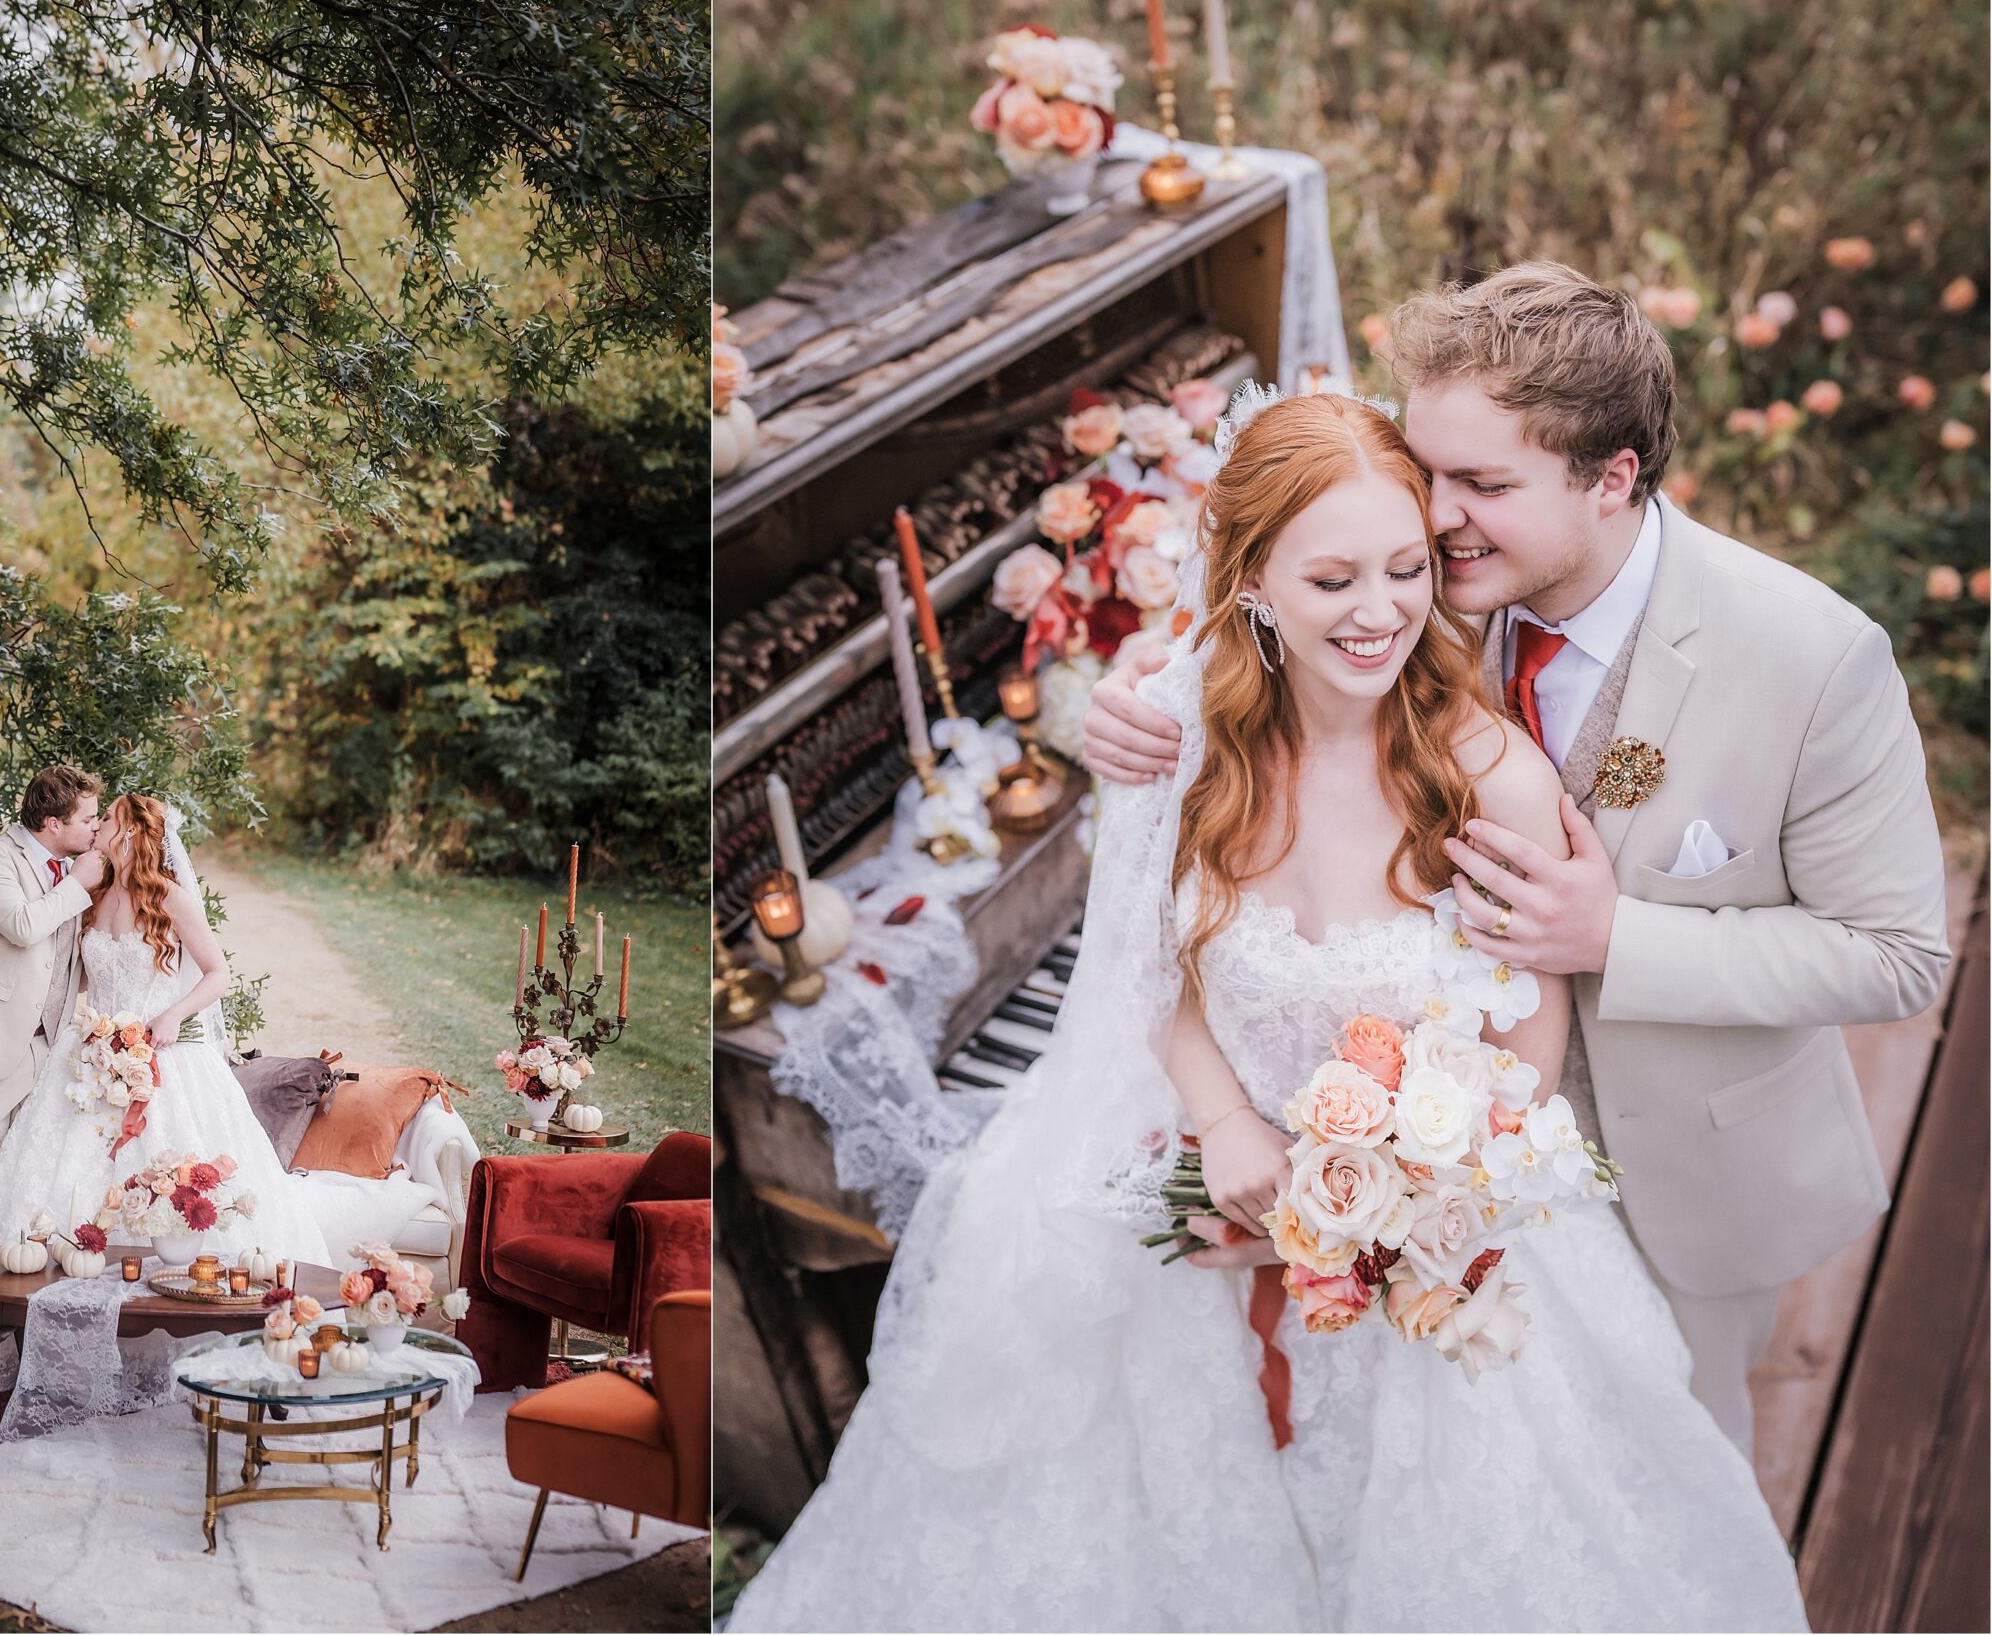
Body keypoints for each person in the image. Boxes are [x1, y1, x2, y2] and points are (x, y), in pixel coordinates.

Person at [728, 392, 1805, 1632]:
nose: (1380, 611)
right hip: (1201, 1170)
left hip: (1428, 1222)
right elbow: (1147, 965)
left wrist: (1351, 1226)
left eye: (1406, 569)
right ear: (1248, 581)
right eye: (1334, 577)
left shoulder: (1489, 778)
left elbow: (1522, 1057)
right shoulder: (1174, 745)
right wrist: (1225, 1121)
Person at [1083, 263, 1950, 1451]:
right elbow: (1271, 609)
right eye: (1425, 470)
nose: (1433, 518)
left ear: (1611, 479)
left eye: (1482, 484)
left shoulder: (1812, 658)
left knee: (1678, 1459)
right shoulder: (1408, 594)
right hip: (1400, 1165)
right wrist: (1129, 706)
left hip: (1686, 1174)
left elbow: (1896, 958)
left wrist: (1611, 939)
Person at [0, 791, 426, 1387]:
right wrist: (89, 1042)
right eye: (93, 816)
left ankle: (177, 1336)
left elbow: (218, 973)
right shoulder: (92, 895)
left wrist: (171, 1016)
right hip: (89, 1066)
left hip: (164, 1062)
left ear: (130, 834)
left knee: (166, 1193)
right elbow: (65, 977)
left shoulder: (171, 898)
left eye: (107, 819)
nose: (99, 825)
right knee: (61, 1191)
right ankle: (55, 1347)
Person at [0, 763, 107, 1249]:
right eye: (88, 819)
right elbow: (22, 926)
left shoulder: (73, 871)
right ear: (54, 823)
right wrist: (79, 885)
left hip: (51, 1054)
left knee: (31, 1187)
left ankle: (21, 1310)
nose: (96, 828)